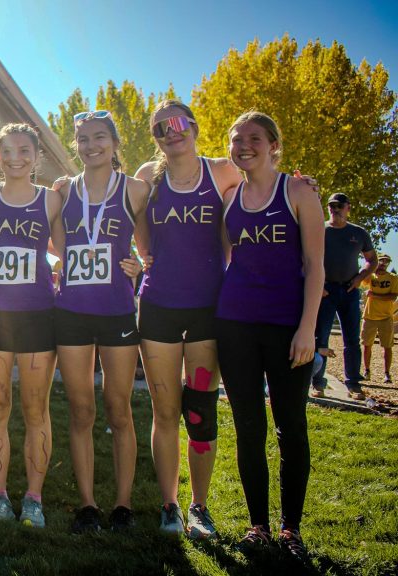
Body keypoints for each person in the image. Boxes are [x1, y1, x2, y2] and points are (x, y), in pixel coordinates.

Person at [215, 111, 323, 562]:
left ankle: (290, 529)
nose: (244, 146)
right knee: (248, 427)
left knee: (291, 428)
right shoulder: (230, 197)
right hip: (235, 323)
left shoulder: (298, 191)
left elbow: (315, 266)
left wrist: (308, 329)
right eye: (237, 139)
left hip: (286, 327)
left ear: (274, 144)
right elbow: (225, 260)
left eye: (254, 138)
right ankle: (258, 524)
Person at [131, 100, 232, 537]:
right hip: (159, 307)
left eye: (176, 124)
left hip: (209, 307)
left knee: (200, 414)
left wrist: (305, 185)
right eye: (159, 129)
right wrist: (144, 258)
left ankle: (200, 507)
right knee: (165, 411)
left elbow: (264, 189)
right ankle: (170, 505)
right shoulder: (147, 178)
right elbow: (140, 235)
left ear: (193, 126)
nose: (170, 133)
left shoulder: (224, 171)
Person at [53, 110, 148, 533]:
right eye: (83, 139)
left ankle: (123, 504)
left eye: (99, 138)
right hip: (71, 312)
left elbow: (153, 244)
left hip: (117, 312)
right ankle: (88, 504)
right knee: (81, 409)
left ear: (114, 141)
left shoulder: (136, 190)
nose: (91, 146)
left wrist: (139, 264)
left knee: (119, 409)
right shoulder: (62, 191)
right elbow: (57, 244)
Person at [0, 123, 58, 527]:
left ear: (36, 157)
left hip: (39, 316)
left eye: (24, 151)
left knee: (35, 408)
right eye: (7, 151)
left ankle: (35, 498)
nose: (15, 158)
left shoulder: (51, 200)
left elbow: (70, 248)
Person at [312, 192, 376, 400]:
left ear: (348, 207)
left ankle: (353, 383)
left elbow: (371, 260)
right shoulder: (319, 230)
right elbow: (305, 258)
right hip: (326, 291)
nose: (335, 209)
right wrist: (318, 285)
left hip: (349, 290)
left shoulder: (358, 233)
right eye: (331, 206)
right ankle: (318, 383)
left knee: (351, 338)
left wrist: (360, 278)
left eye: (339, 205)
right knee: (320, 337)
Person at [361, 253, 398, 383]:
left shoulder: (393, 278)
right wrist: (370, 267)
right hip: (369, 316)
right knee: (366, 345)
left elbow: (392, 297)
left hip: (386, 317)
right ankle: (366, 371)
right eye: (381, 261)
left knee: (387, 346)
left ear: (389, 263)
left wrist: (373, 295)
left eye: (386, 262)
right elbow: (362, 279)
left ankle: (387, 373)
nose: (383, 264)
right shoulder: (371, 277)